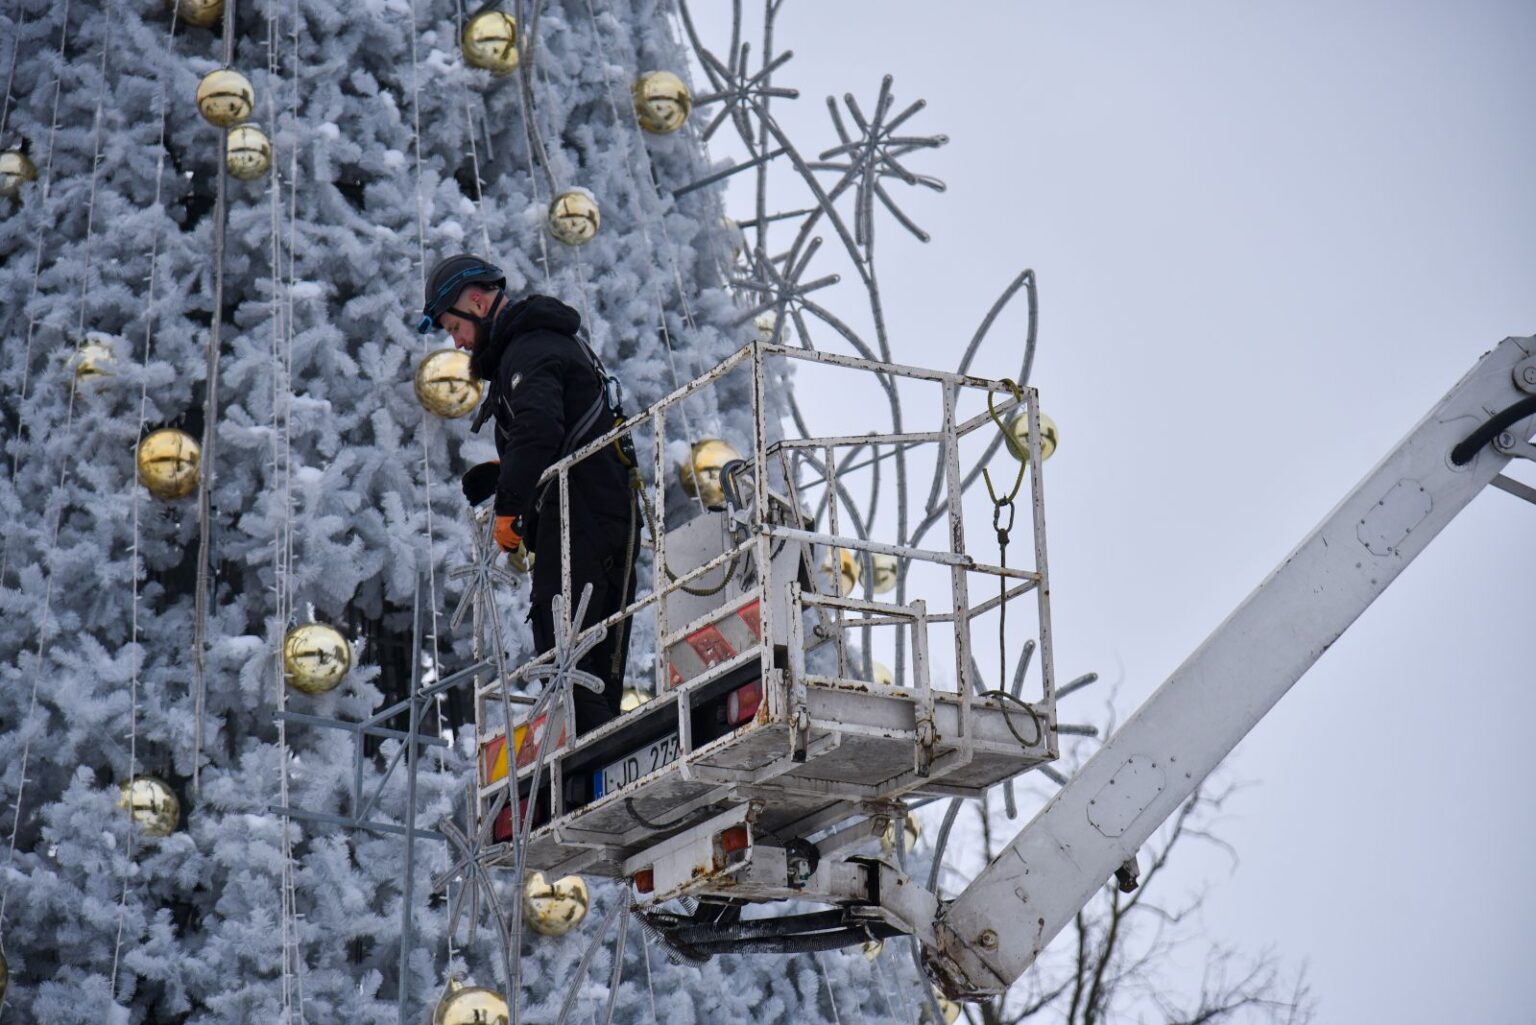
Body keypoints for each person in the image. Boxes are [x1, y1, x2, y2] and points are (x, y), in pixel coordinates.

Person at [419, 254, 638, 736]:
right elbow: (555, 438)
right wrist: (506, 476)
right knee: (576, 650)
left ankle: (591, 758)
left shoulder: (530, 348)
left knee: (571, 649)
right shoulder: (533, 347)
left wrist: (511, 506)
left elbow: (540, 428)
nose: (455, 341)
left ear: (477, 302)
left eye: (454, 326)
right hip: (586, 509)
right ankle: (589, 743)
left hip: (582, 516)